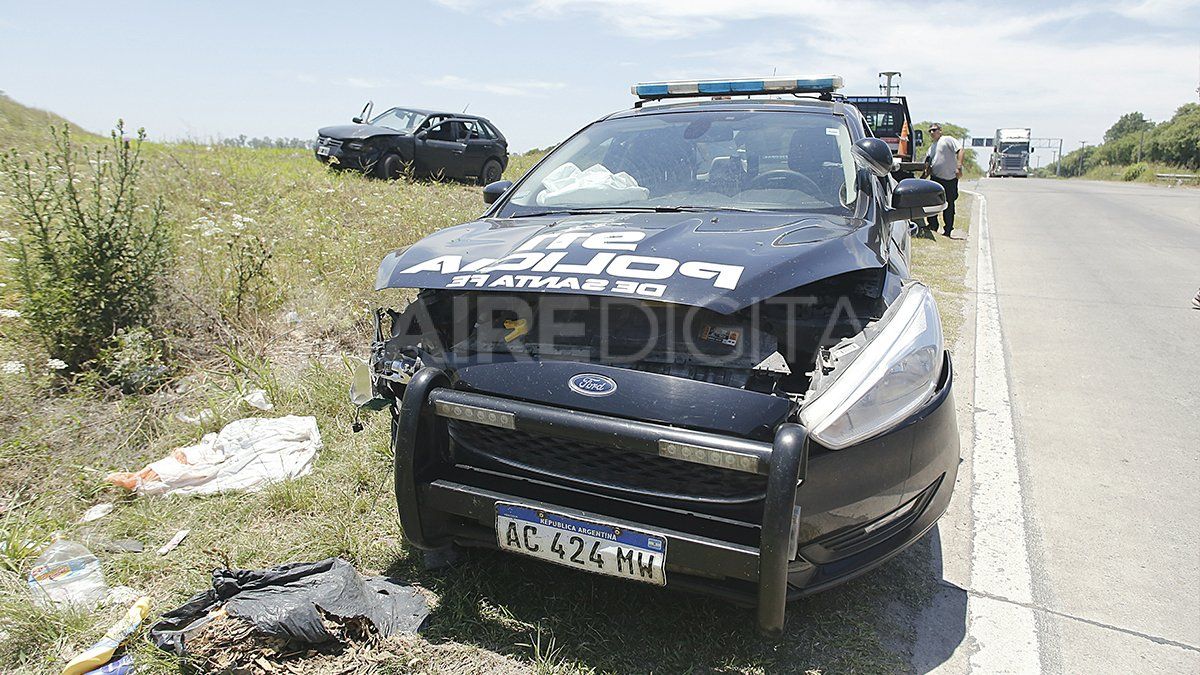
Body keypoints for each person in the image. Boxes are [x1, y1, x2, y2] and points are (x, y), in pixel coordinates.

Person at [922, 123, 964, 237]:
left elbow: (960, 150)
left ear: (940, 130)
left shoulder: (947, 140)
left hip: (949, 179)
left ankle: (948, 229)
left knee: (949, 205)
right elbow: (929, 164)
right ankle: (932, 225)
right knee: (931, 203)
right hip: (936, 179)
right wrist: (923, 178)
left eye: (934, 130)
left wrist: (959, 166)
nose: (932, 132)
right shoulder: (932, 147)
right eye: (930, 131)